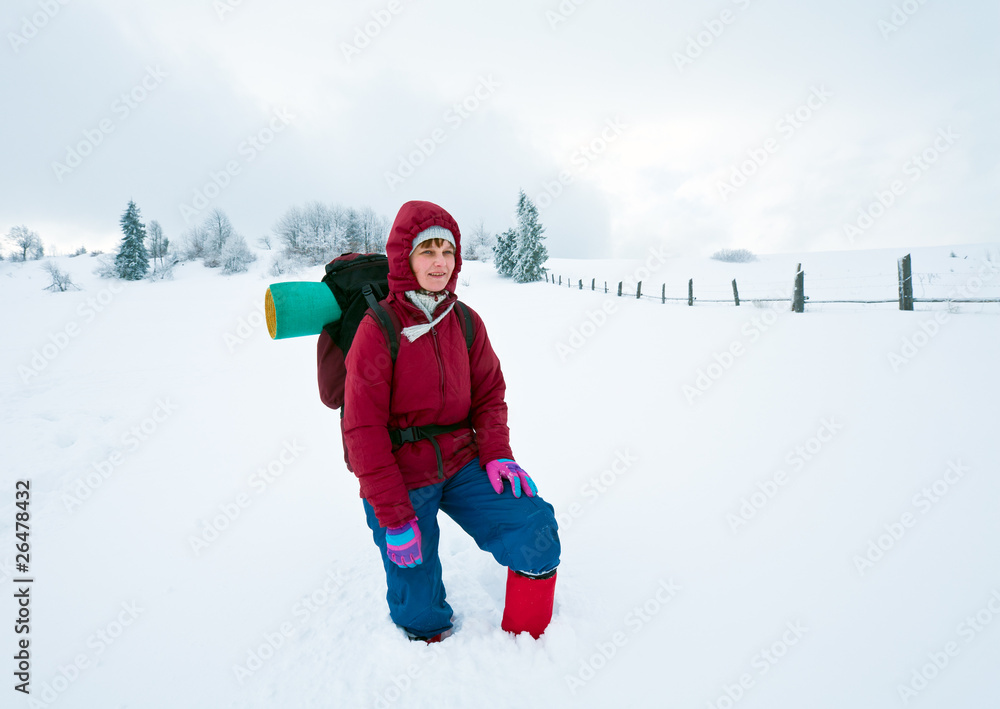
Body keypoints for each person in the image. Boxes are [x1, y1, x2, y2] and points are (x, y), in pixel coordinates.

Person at [342, 200, 561, 642]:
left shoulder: (465, 321)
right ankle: (425, 649)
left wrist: (498, 454)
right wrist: (393, 515)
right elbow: (361, 432)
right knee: (418, 600)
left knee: (534, 525)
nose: (440, 262)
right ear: (406, 258)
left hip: (462, 461)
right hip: (400, 472)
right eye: (428, 251)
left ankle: (529, 644)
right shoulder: (378, 327)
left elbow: (489, 394)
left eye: (447, 251)